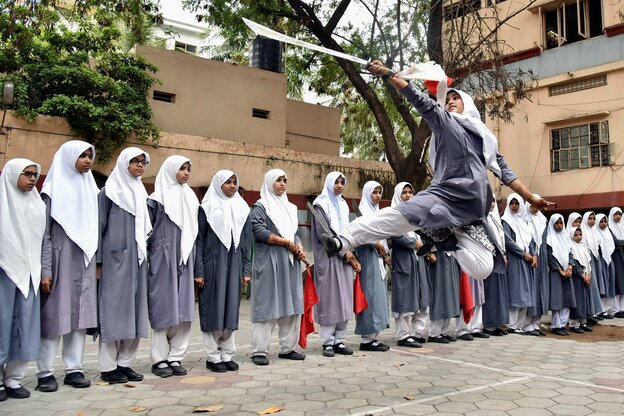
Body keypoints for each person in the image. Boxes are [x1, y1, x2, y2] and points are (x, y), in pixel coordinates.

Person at [322, 60, 553, 281]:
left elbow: (507, 174)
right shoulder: (445, 123)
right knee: (398, 216)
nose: (451, 101)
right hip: (443, 198)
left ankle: (449, 240)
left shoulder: (487, 140)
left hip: (472, 212)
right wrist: (388, 75)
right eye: (448, 98)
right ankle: (344, 239)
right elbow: (419, 100)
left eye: (457, 98)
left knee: (484, 268)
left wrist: (531, 197)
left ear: (469, 105)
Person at [34, 142, 98, 392]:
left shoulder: (92, 190)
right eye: (82, 156)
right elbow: (45, 234)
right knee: (54, 318)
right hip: (60, 262)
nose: (87, 160)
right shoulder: (51, 191)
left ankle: (74, 369)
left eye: (90, 156)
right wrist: (46, 269)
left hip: (85, 263)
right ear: (68, 158)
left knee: (80, 318)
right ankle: (45, 372)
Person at [97, 148, 151, 383]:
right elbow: (98, 228)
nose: (139, 166)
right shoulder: (108, 193)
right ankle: (108, 367)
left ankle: (125, 363)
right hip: (114, 261)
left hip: (138, 260)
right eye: (134, 162)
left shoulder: (141, 193)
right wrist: (99, 262)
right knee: (114, 311)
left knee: (136, 312)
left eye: (142, 162)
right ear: (123, 164)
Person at [147, 156, 199, 377]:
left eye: (188, 169)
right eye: (181, 169)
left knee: (184, 310)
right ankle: (159, 360)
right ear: (170, 170)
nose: (186, 173)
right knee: (163, 309)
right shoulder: (156, 199)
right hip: (162, 260)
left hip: (186, 258)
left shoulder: (191, 198)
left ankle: (176, 356)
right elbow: (145, 232)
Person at [249, 169, 306, 365]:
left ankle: (287, 347)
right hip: (269, 261)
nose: (282, 184)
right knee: (267, 304)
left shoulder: (290, 207)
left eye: (284, 180)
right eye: (278, 180)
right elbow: (258, 230)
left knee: (291, 305)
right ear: (269, 182)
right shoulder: (261, 206)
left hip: (290, 261)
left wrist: (298, 244)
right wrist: (285, 242)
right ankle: (259, 351)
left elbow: (294, 232)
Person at [196, 170, 251, 372]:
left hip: (234, 264)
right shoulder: (206, 208)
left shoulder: (242, 208)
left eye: (235, 182)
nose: (232, 186)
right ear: (218, 184)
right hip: (213, 266)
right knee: (213, 309)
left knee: (231, 309)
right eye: (227, 182)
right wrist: (199, 271)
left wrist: (246, 269)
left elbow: (246, 242)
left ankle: (227, 354)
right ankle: (212, 356)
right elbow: (199, 241)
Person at [0, 159, 46, 401]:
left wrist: (44, 271)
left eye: (35, 175)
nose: (31, 179)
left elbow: (44, 240)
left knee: (25, 326)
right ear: (11, 175)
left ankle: (14, 379)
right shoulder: (2, 202)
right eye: (26, 174)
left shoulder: (37, 205)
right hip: (4, 272)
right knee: (2, 323)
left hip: (30, 273)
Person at [312, 172, 360, 357]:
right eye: (336, 182)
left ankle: (339, 340)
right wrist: (345, 252)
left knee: (345, 299)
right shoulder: (320, 204)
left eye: (342, 182)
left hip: (346, 257)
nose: (339, 185)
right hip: (329, 257)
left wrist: (351, 253)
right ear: (329, 183)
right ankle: (327, 342)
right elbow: (324, 233)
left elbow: (348, 231)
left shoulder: (343, 204)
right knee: (330, 299)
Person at [389, 182, 430, 347]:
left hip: (417, 260)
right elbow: (397, 235)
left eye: (410, 192)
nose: (407, 195)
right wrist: (415, 243)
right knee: (404, 299)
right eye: (404, 193)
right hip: (404, 261)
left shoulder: (414, 214)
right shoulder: (394, 214)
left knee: (420, 297)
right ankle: (403, 335)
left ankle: (416, 332)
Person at [354, 181, 390, 352]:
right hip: (368, 257)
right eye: (374, 192)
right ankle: (366, 338)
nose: (377, 196)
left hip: (378, 258)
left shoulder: (377, 212)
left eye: (379, 192)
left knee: (378, 297)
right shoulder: (362, 213)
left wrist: (384, 251)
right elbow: (361, 234)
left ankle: (374, 337)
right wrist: (378, 246)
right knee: (370, 295)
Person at [501, 193, 536, 335]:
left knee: (526, 293)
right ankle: (511, 324)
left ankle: (520, 325)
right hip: (516, 259)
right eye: (512, 203)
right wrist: (523, 254)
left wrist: (534, 255)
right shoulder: (506, 221)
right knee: (517, 292)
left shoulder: (524, 221)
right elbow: (508, 241)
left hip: (527, 261)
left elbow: (531, 241)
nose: (514, 206)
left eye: (517, 203)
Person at [482, 201, 510, 336]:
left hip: (500, 259)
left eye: (493, 201)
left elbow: (501, 239)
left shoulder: (495, 218)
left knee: (499, 293)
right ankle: (489, 325)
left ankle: (498, 323)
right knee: (491, 293)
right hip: (490, 258)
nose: (492, 204)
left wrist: (503, 254)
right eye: (489, 201)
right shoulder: (483, 218)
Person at [523, 195, 549, 336]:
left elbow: (544, 241)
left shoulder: (542, 219)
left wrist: (547, 262)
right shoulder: (524, 219)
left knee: (542, 291)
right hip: (531, 257)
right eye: (533, 204)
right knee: (532, 290)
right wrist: (533, 254)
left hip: (542, 256)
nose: (535, 208)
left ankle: (536, 323)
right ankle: (527, 324)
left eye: (537, 205)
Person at [547, 214, 575, 336]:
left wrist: (569, 267)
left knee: (567, 298)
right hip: (556, 273)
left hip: (567, 273)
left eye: (561, 223)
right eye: (556, 223)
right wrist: (560, 270)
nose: (559, 225)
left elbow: (571, 253)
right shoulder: (549, 238)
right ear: (552, 224)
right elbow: (550, 256)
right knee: (557, 299)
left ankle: (563, 324)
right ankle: (556, 325)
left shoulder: (565, 237)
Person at [580, 211, 606, 322]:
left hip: (595, 259)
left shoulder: (594, 231)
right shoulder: (582, 231)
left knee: (595, 287)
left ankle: (594, 312)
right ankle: (588, 314)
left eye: (593, 218)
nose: (592, 220)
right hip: (586, 261)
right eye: (590, 218)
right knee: (590, 287)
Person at [568, 227, 592, 333]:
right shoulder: (571, 247)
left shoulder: (583, 246)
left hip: (585, 278)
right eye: (576, 235)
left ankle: (583, 322)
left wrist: (589, 275)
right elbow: (575, 264)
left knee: (584, 300)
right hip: (577, 278)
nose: (578, 237)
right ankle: (574, 324)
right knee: (577, 300)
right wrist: (583, 276)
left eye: (580, 234)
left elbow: (588, 262)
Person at [596, 213, 616, 319]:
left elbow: (613, 244)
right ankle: (601, 310)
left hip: (609, 260)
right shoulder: (595, 233)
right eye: (601, 221)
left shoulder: (608, 232)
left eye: (605, 221)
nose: (603, 224)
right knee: (602, 284)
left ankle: (608, 310)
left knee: (610, 284)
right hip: (601, 260)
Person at [608, 207, 624, 317]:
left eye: (619, 214)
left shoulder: (622, 226)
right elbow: (616, 242)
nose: (618, 216)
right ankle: (615, 310)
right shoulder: (609, 228)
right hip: (616, 256)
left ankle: (622, 308)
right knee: (618, 282)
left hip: (622, 255)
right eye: (615, 214)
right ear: (611, 215)